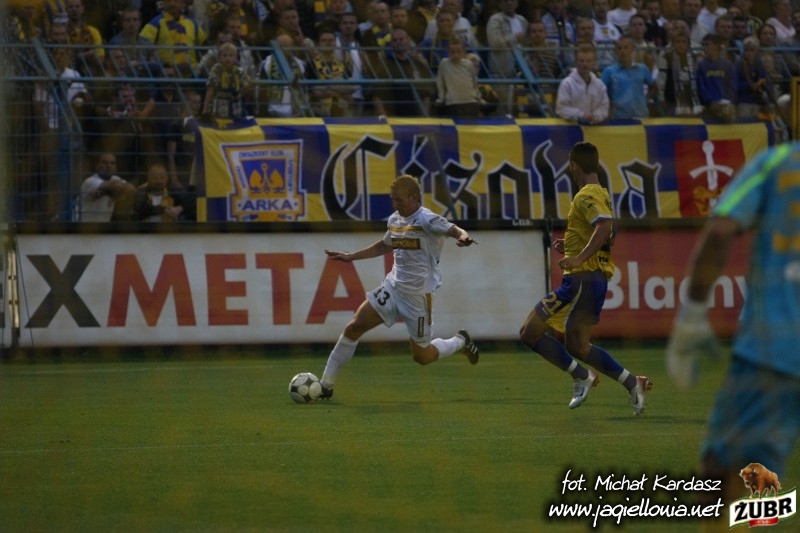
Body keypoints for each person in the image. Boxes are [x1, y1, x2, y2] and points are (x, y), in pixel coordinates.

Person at [666, 141, 800, 506]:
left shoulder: (777, 162)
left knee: (720, 475)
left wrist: (691, 318)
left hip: (776, 350)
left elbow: (721, 230)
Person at [519, 141, 652, 416]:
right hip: (594, 281)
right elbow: (611, 235)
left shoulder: (585, 194)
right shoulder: (602, 193)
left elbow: (604, 227)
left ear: (573, 166)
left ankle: (582, 376)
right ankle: (632, 382)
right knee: (577, 345)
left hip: (580, 281)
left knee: (529, 332)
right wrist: (572, 247)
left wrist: (579, 258)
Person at [317, 174, 479, 399]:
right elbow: (384, 246)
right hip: (392, 288)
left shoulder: (427, 219)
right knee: (354, 327)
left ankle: (460, 341)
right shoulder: (395, 219)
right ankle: (325, 385)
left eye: (399, 199)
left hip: (417, 297)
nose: (395, 204)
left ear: (414, 198)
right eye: (392, 199)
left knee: (422, 357)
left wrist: (463, 237)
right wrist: (351, 256)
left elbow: (454, 229)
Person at [601, 36, 657, 120]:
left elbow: (654, 87)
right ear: (615, 52)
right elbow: (600, 91)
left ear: (632, 49)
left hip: (641, 114)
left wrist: (645, 98)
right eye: (619, 48)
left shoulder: (642, 68)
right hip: (619, 117)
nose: (623, 51)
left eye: (626, 47)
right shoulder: (609, 71)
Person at [555, 45, 609, 124]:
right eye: (581, 61)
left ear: (594, 63)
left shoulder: (600, 85)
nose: (585, 64)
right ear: (576, 62)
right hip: (572, 128)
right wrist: (582, 115)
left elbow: (604, 107)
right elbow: (561, 109)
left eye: (588, 61)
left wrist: (595, 116)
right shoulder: (567, 84)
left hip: (594, 128)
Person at [78, 152, 135, 222]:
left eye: (112, 163)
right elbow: (116, 186)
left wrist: (105, 192)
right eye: (104, 163)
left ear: (115, 168)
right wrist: (113, 192)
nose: (109, 166)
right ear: (96, 166)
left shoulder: (115, 179)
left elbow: (131, 188)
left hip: (104, 226)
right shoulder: (90, 181)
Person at [203, 42, 252, 120]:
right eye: (225, 55)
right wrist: (205, 110)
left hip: (236, 109)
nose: (228, 58)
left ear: (235, 57)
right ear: (220, 57)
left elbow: (248, 87)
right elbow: (210, 90)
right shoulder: (216, 70)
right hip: (219, 108)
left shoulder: (239, 71)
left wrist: (240, 94)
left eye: (231, 55)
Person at [435, 38, 482, 118]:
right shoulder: (444, 63)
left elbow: (474, 82)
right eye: (452, 52)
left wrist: (478, 97)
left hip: (470, 101)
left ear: (463, 52)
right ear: (448, 52)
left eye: (459, 52)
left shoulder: (468, 64)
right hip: (453, 102)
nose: (455, 55)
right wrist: (441, 98)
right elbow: (440, 83)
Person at [696, 32, 737, 122]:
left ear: (716, 45)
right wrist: (711, 101)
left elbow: (732, 85)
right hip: (708, 106)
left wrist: (726, 101)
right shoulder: (702, 65)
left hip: (725, 106)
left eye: (707, 44)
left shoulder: (727, 65)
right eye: (704, 45)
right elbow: (701, 87)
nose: (705, 48)